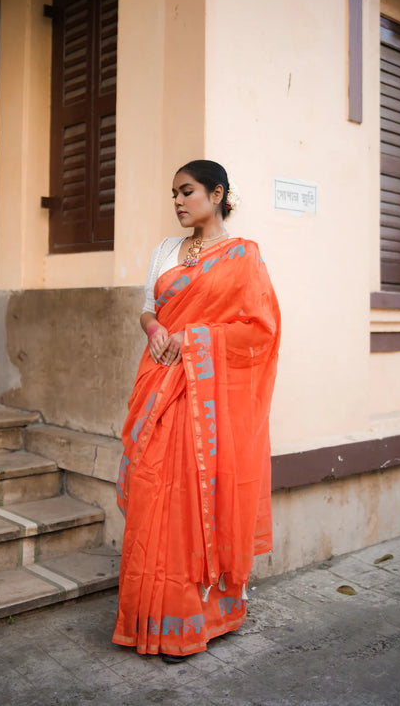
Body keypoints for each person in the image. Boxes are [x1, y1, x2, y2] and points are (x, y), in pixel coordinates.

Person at [112, 160, 281, 661]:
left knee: (197, 497)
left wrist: (194, 337)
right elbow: (148, 307)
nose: (178, 202)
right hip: (160, 384)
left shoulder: (244, 256)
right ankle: (151, 615)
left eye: (187, 192)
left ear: (217, 194)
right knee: (153, 492)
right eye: (174, 194)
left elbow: (260, 331)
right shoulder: (166, 251)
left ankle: (201, 620)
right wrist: (154, 328)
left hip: (207, 402)